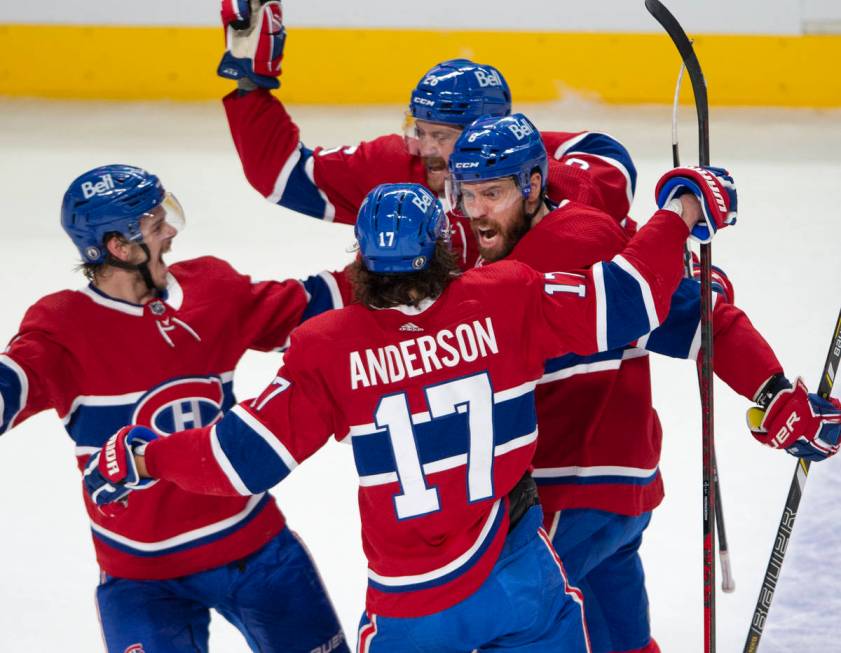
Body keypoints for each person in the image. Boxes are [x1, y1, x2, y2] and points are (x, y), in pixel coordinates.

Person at [85, 176, 716, 652]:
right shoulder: (506, 296)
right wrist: (681, 210)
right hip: (517, 573)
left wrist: (145, 454)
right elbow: (630, 299)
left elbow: (238, 461)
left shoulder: (328, 344)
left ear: (361, 259)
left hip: (411, 607)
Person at [445, 113, 841, 653]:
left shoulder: (522, 274)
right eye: (467, 195)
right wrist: (775, 396)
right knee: (624, 642)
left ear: (534, 185)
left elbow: (650, 299)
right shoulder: (614, 241)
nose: (476, 213)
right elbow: (705, 320)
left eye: (491, 193)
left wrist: (678, 224)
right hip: (625, 496)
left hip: (560, 498)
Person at [0, 164, 351, 653]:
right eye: (155, 224)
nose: (169, 232)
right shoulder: (63, 328)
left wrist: (392, 266)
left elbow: (308, 307)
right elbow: (12, 382)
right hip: (142, 581)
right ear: (120, 249)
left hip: (254, 549)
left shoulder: (211, 287)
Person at [215, 0, 637, 268]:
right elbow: (283, 176)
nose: (427, 148)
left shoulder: (535, 160)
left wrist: (517, 184)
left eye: (442, 136)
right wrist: (251, 84)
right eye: (422, 131)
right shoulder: (397, 166)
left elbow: (609, 170)